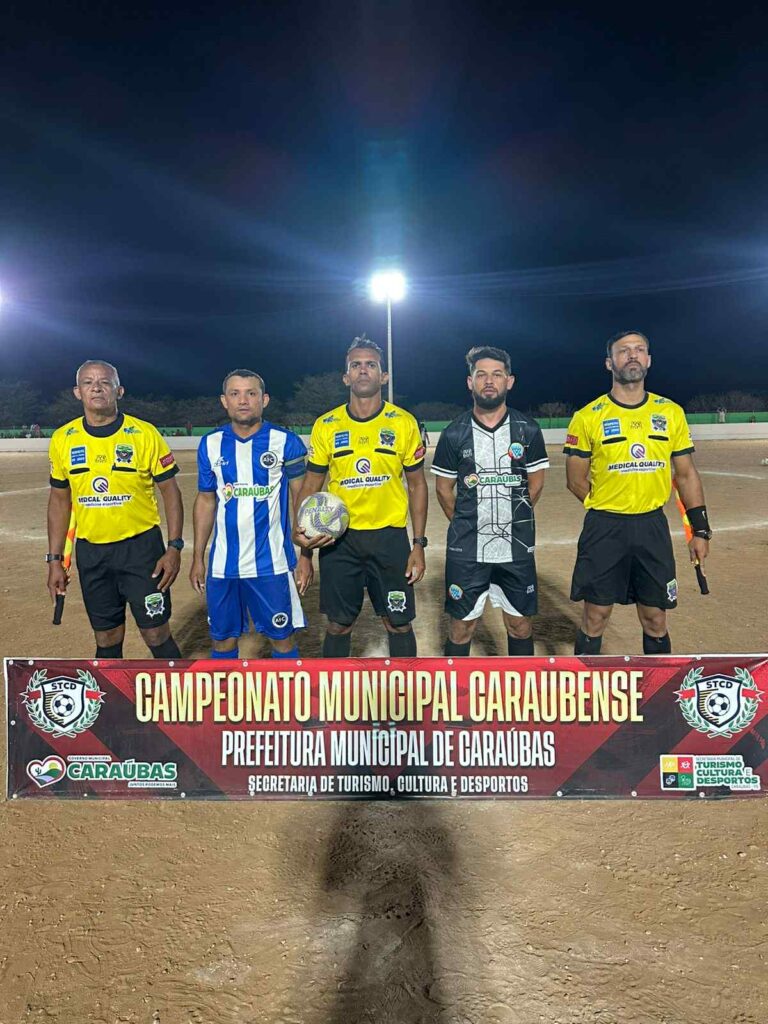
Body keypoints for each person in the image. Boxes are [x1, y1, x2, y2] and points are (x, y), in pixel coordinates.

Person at [564, 330, 711, 655]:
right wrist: (607, 504)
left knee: (655, 618)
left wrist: (700, 530)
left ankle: (657, 686)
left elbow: (686, 474)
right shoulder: (587, 417)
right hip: (604, 528)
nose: (632, 355)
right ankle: (588, 684)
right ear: (609, 362)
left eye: (639, 349)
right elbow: (575, 480)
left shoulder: (670, 412)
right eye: (623, 350)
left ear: (648, 360)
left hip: (652, 527)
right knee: (595, 616)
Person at [294, 334, 428, 658]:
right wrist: (304, 552)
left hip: (390, 538)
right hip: (339, 541)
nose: (363, 370)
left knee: (398, 623)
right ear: (346, 377)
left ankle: (406, 690)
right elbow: (310, 487)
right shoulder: (326, 425)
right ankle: (334, 692)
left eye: (371, 365)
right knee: (338, 625)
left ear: (384, 376)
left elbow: (417, 485)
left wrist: (418, 544)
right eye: (356, 365)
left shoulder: (403, 423)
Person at [46, 360, 184, 659]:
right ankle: (110, 691)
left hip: (142, 550)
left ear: (119, 391)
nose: (96, 387)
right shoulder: (63, 439)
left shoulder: (144, 434)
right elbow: (59, 501)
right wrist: (55, 560)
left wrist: (174, 547)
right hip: (92, 553)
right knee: (106, 636)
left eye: (105, 382)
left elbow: (171, 492)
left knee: (156, 633)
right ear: (77, 392)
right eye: (88, 382)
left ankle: (177, 690)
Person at [432, 346, 549, 657]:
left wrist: (512, 518)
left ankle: (520, 687)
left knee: (520, 625)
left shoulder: (528, 429)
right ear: (470, 382)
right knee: (461, 627)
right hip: (467, 550)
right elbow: (443, 490)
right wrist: (468, 522)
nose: (488, 381)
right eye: (481, 374)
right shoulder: (454, 433)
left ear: (509, 381)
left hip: (516, 548)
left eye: (497, 375)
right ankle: (455, 688)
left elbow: (535, 484)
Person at [189, 369, 310, 660]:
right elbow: (206, 501)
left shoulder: (286, 441)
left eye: (251, 393)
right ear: (224, 401)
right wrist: (198, 558)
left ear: (264, 400)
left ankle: (287, 692)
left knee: (282, 639)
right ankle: (226, 691)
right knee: (222, 641)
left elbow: (302, 500)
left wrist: (305, 556)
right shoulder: (210, 444)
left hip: (272, 563)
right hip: (223, 565)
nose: (243, 400)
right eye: (235, 394)